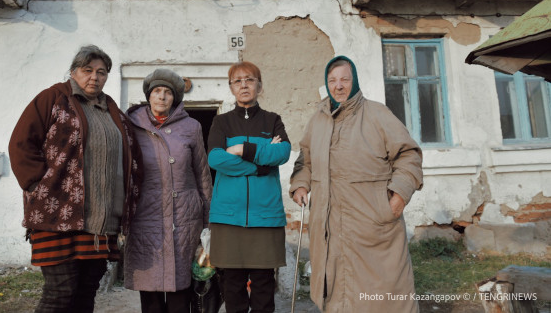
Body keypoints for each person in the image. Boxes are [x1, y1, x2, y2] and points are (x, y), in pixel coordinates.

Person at [8, 45, 143, 313]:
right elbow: (21, 143)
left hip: (101, 219)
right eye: (87, 70)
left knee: (85, 292)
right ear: (73, 72)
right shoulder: (53, 98)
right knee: (60, 292)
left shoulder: (112, 110)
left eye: (101, 72)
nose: (95, 77)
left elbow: (133, 155)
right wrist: (38, 186)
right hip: (57, 215)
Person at [289, 55, 423, 313]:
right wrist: (301, 185)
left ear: (355, 81)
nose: (338, 85)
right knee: (336, 293)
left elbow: (409, 155)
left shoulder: (377, 114)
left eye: (344, 79)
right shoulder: (318, 120)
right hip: (328, 226)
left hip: (372, 223)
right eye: (332, 80)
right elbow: (305, 159)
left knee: (382, 297)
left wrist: (398, 197)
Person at [124, 68, 213, 313]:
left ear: (175, 98)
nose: (162, 97)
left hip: (184, 219)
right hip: (146, 219)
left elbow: (202, 175)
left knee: (180, 297)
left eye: (167, 92)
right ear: (148, 96)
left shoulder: (191, 127)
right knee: (151, 297)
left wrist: (208, 223)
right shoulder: (131, 125)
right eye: (156, 91)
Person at [207, 61, 291, 313]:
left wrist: (243, 149)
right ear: (231, 88)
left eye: (250, 80)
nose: (244, 85)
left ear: (259, 86)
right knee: (232, 286)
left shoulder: (272, 120)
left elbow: (283, 153)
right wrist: (260, 166)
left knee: (264, 285)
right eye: (237, 81)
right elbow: (216, 159)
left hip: (265, 216)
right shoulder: (221, 122)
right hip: (228, 217)